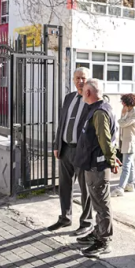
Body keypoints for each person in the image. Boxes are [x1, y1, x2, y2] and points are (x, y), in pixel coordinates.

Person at [73, 78, 119, 257]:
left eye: (83, 90)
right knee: (97, 202)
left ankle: (104, 240)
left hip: (97, 167)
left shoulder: (99, 112)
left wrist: (112, 160)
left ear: (88, 92)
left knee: (101, 204)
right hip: (92, 164)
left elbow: (105, 140)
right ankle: (98, 232)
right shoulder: (99, 108)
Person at [50, 68, 94, 237]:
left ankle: (86, 222)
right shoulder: (69, 98)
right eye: (77, 78)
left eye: (83, 78)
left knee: (85, 189)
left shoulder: (93, 99)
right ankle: (65, 217)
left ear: (88, 80)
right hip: (65, 149)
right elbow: (62, 123)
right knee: (64, 186)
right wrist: (57, 145)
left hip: (82, 151)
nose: (80, 81)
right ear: (73, 80)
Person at [112, 94, 135, 196]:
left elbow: (122, 123)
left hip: (130, 143)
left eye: (123, 102)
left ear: (128, 102)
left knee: (126, 166)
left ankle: (121, 187)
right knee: (130, 164)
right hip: (125, 142)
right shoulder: (127, 112)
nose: (122, 104)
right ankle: (130, 184)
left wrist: (123, 115)